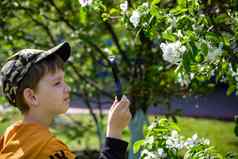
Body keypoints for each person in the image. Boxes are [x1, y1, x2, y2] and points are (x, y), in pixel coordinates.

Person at [0, 42, 131, 159]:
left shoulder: (11, 135)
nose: (68, 88)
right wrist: (114, 132)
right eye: (57, 83)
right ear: (31, 97)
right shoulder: (47, 149)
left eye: (64, 80)